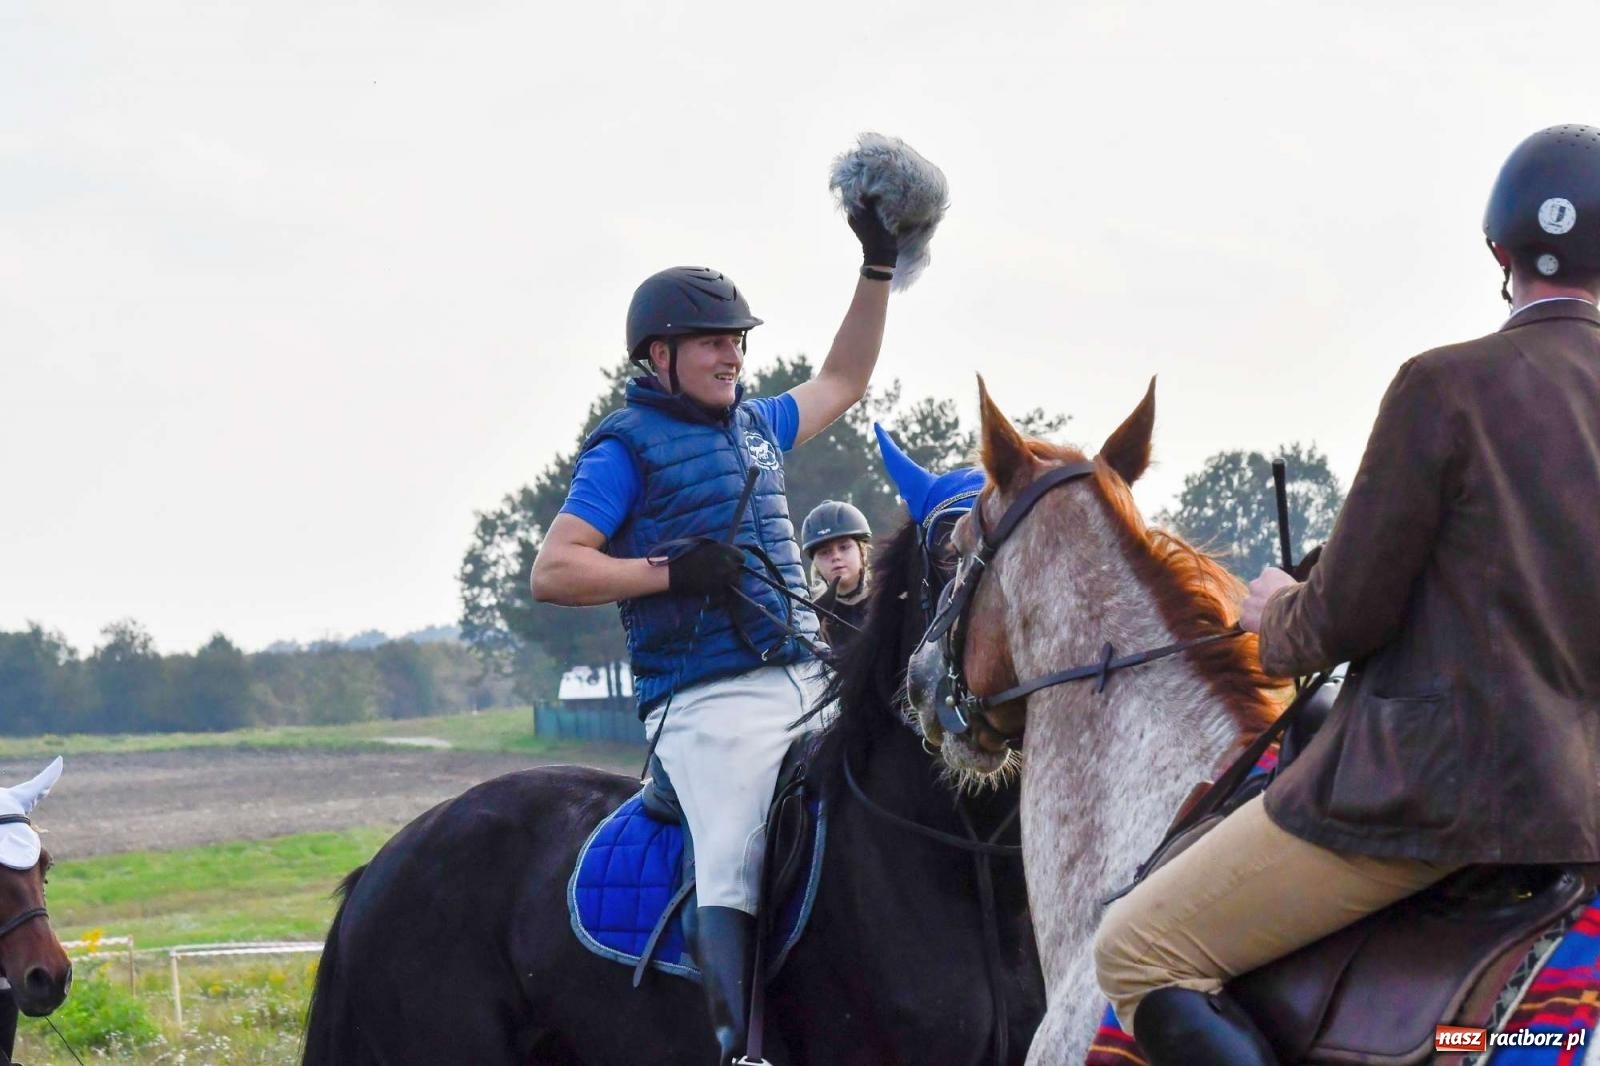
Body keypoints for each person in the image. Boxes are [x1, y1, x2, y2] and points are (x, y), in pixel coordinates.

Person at [1093, 124, 1600, 1065]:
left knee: (1135, 949)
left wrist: (1272, 615)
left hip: (1431, 801)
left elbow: (1346, 616)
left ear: (1499, 252)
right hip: (1582, 804)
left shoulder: (1441, 386)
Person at [531, 204, 899, 1063]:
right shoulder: (624, 448)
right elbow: (555, 570)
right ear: (660, 357)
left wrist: (877, 266)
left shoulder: (758, 425)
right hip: (701, 700)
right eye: (712, 342)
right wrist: (668, 572)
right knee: (733, 844)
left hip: (803, 673)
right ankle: (740, 1048)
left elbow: (844, 378)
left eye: (737, 340)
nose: (733, 355)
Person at [800, 500, 873, 653]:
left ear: (862, 551)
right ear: (815, 563)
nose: (836, 557)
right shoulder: (807, 617)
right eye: (824, 552)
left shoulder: (891, 599)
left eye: (844, 547)